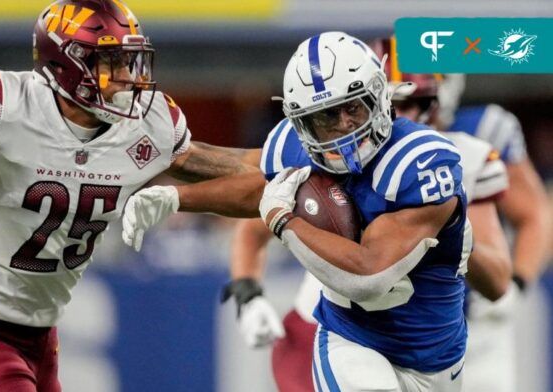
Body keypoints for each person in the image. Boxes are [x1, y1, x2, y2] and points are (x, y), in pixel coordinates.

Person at [0, 0, 257, 390]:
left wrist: (304, 149)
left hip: (42, 342)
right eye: (112, 63)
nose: (127, 76)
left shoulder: (145, 129)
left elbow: (243, 166)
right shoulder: (13, 108)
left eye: (128, 61)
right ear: (68, 65)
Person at [123, 32, 472, 391]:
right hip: (352, 340)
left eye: (352, 107)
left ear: (379, 95)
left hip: (437, 357)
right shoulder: (299, 147)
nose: (342, 127)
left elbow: (370, 277)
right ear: (301, 124)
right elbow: (249, 176)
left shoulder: (421, 161)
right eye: (324, 117)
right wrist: (173, 195)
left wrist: (285, 221)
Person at [218, 37, 513, 392]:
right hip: (338, 329)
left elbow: (497, 282)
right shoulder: (325, 157)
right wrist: (248, 292)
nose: (400, 114)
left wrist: (451, 236)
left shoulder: (454, 161)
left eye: (414, 102)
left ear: (436, 103)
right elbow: (255, 221)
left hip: (425, 341)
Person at [439, 74, 552, 391]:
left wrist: (516, 283)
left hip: (474, 319)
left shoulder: (481, 134)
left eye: (413, 99)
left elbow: (533, 214)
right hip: (400, 325)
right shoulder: (368, 143)